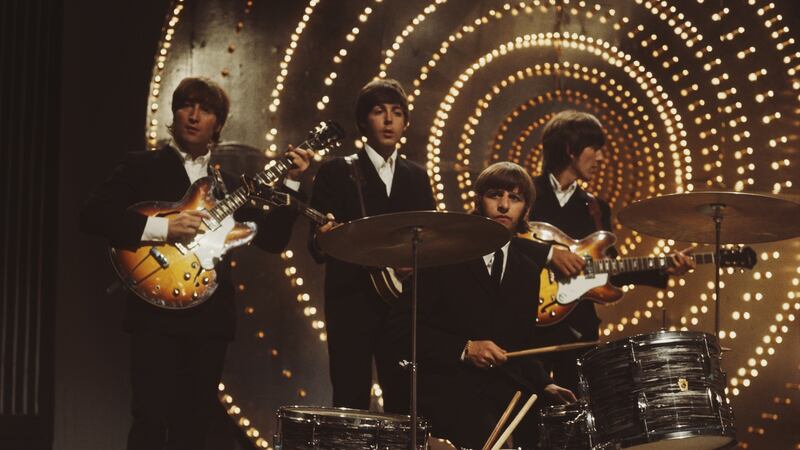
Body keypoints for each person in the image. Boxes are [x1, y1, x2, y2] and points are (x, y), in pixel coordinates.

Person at [80, 77, 312, 450]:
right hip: (153, 311)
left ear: (217, 124)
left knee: (195, 426)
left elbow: (272, 240)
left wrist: (294, 184)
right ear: (174, 113)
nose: (194, 115)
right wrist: (161, 226)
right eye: (187, 105)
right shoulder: (143, 165)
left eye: (205, 109)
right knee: (150, 420)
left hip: (209, 318)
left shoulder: (230, 181)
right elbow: (92, 215)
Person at [384, 162, 575, 449]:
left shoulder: (526, 269)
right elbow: (400, 330)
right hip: (445, 393)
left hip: (502, 397)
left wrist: (544, 383)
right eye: (495, 195)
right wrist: (464, 348)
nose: (503, 205)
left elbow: (518, 346)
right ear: (478, 201)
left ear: (526, 210)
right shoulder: (443, 257)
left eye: (515, 198)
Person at [524, 110, 695, 392]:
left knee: (579, 413)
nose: (602, 159)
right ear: (570, 149)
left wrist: (664, 268)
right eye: (596, 149)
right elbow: (501, 245)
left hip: (578, 332)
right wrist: (549, 255)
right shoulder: (525, 193)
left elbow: (609, 271)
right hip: (529, 326)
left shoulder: (595, 208)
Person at [308, 78, 436, 411]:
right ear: (364, 120)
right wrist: (325, 237)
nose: (390, 120)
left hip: (403, 309)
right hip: (351, 304)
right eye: (379, 112)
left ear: (406, 123)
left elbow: (432, 240)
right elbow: (317, 246)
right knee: (351, 401)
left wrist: (417, 260)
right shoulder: (336, 171)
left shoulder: (417, 176)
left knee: (404, 405)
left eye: (397, 113)